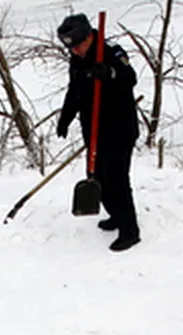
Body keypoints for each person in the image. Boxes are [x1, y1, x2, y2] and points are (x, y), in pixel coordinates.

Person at [56, 13, 142, 253]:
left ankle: (130, 230)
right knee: (97, 177)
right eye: (71, 49)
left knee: (116, 180)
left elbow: (130, 78)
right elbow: (75, 90)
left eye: (78, 46)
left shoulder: (111, 52)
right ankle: (116, 215)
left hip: (119, 128)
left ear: (89, 36)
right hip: (94, 129)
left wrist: (109, 75)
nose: (75, 52)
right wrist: (65, 117)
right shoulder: (77, 59)